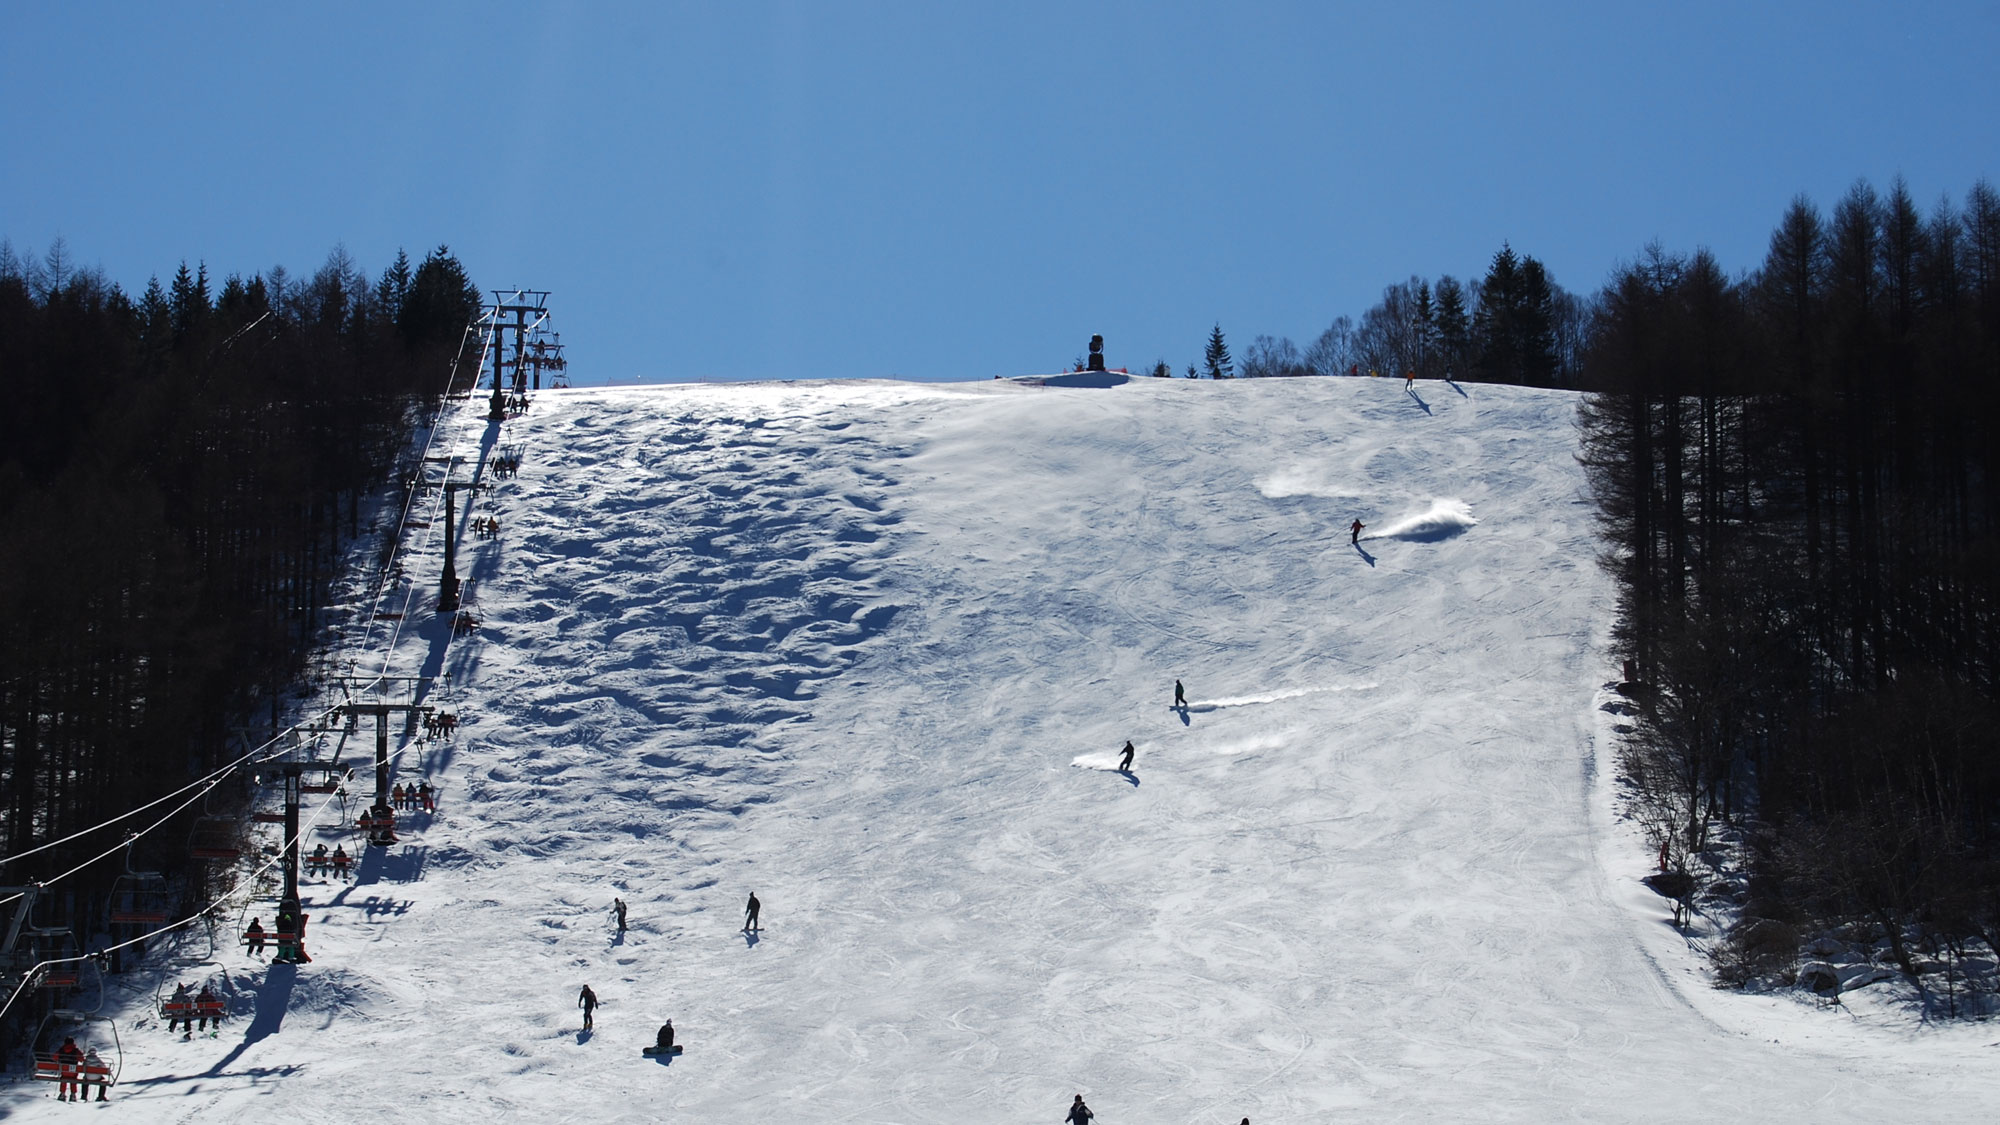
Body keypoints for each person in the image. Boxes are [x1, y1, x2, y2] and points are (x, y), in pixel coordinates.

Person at [54, 1036, 83, 1101]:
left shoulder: (61, 1050)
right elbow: (81, 1059)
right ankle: (73, 1094)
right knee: (73, 1078)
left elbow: (55, 1057)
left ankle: (62, 1093)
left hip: (64, 1070)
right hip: (73, 1071)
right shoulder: (76, 1051)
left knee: (64, 1077)